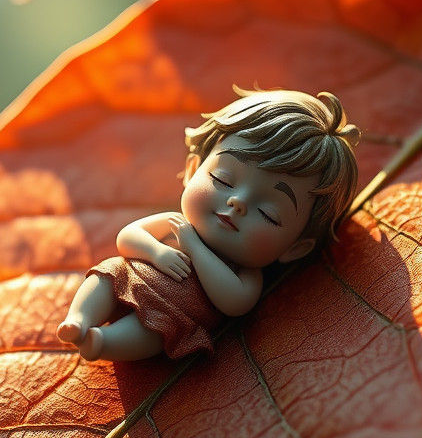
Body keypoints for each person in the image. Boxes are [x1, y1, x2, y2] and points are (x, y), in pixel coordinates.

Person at [56, 88, 360, 361]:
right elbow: (128, 237)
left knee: (153, 331)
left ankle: (102, 342)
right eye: (222, 179)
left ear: (295, 247)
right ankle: (79, 320)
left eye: (268, 213)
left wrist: (193, 247)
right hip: (133, 273)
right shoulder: (173, 223)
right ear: (193, 169)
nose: (237, 202)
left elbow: (235, 302)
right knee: (107, 274)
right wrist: (156, 252)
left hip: (172, 312)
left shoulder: (245, 273)